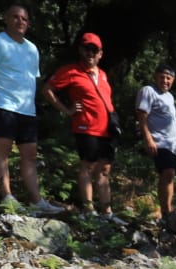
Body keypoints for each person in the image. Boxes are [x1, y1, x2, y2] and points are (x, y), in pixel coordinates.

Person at [0, 4, 61, 215]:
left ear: (28, 23)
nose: (19, 21)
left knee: (30, 154)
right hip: (3, 105)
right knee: (3, 149)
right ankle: (7, 196)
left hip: (27, 109)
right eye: (14, 17)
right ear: (6, 19)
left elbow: (30, 78)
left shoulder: (32, 49)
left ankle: (36, 200)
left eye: (23, 18)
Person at [43, 32, 119, 219]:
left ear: (100, 53)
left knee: (104, 169)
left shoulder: (102, 75)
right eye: (87, 49)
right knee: (88, 165)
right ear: (81, 50)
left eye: (95, 50)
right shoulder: (71, 71)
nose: (90, 53)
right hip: (86, 126)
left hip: (106, 128)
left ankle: (107, 212)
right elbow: (47, 90)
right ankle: (89, 209)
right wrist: (67, 110)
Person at [135, 64, 176, 232]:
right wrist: (148, 139)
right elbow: (142, 115)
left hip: (172, 144)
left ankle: (166, 211)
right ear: (156, 76)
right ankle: (166, 211)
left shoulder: (169, 96)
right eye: (162, 76)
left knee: (170, 176)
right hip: (158, 141)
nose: (165, 80)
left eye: (169, 78)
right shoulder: (148, 91)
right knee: (167, 172)